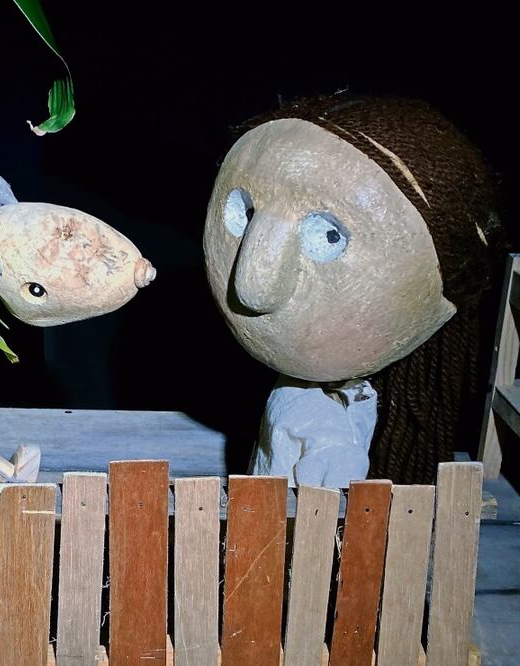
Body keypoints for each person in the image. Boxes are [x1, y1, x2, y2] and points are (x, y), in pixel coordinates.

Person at [203, 96, 504, 486]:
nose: (252, 287)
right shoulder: (306, 403)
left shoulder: (379, 411)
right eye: (244, 215)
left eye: (329, 238)